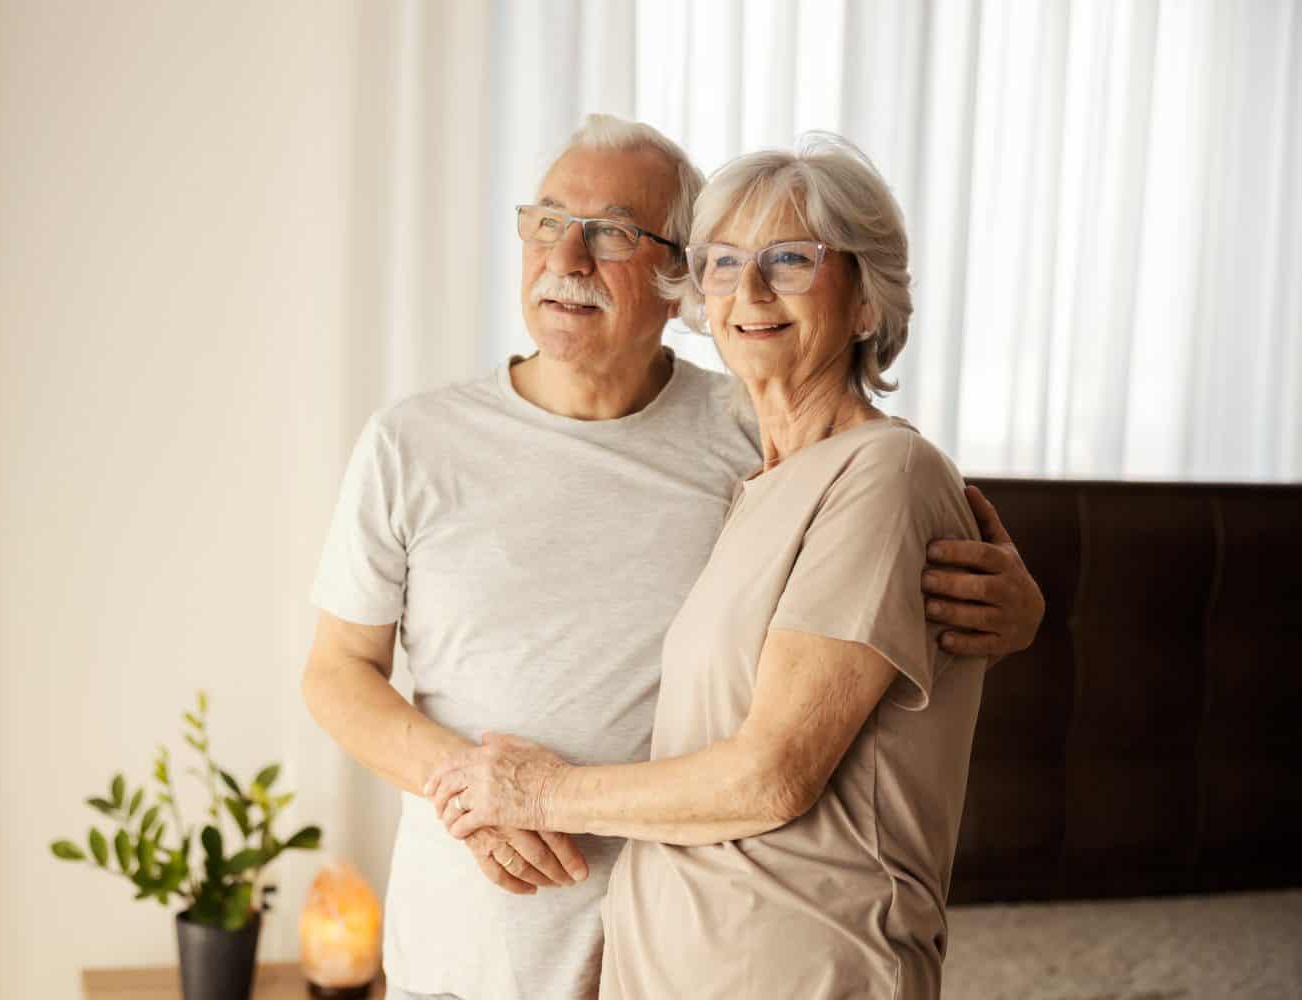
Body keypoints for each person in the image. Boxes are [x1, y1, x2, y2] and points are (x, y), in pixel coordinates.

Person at [305, 115, 1045, 1000]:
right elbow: (336, 671)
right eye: (546, 220)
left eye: (612, 231)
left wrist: (1017, 608)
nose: (567, 257)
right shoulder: (412, 442)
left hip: (670, 946)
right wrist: (475, 794)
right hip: (474, 936)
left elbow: (887, 505)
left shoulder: (759, 433)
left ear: (672, 280)